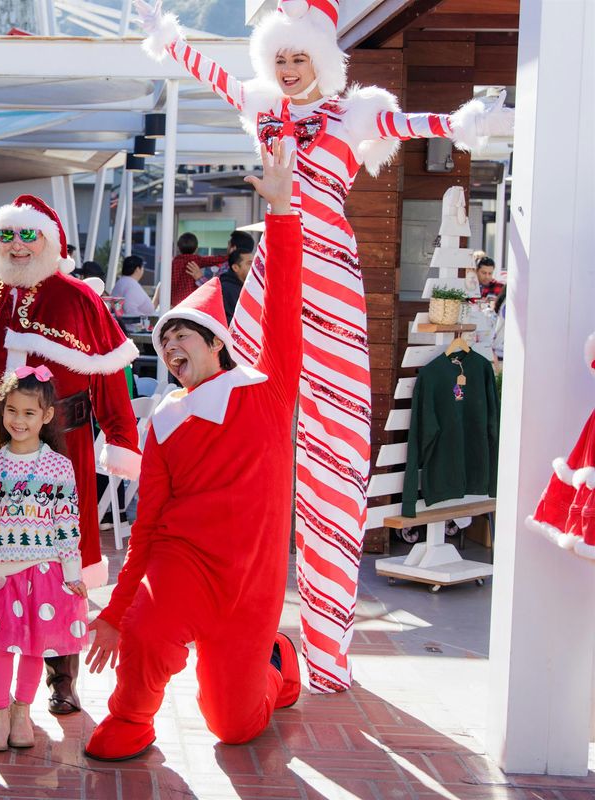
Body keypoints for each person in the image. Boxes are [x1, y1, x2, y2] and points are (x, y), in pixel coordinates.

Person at [136, 0, 513, 693]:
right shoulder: (258, 105)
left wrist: (463, 123)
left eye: (299, 55)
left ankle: (329, 653)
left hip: (331, 281)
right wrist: (170, 38)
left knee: (334, 458)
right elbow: (207, 72)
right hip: (271, 278)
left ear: (324, 58)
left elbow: (414, 124)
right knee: (235, 426)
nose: (287, 67)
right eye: (278, 56)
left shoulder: (354, 112)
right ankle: (216, 610)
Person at [84, 141, 303, 761]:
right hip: (182, 564)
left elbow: (285, 302)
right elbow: (148, 523)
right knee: (147, 635)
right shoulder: (166, 419)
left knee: (233, 727)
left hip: (251, 583)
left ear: (217, 343)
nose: (172, 347)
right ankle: (131, 718)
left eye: (183, 336)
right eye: (165, 340)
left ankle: (278, 663)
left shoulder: (266, 387)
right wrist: (115, 610)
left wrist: (283, 213)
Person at [0, 194, 141, 716]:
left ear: (50, 241)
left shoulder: (79, 299)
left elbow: (110, 382)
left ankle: (63, 675)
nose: (17, 247)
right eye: (8, 235)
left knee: (64, 556)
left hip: (63, 448)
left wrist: (123, 441)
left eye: (28, 235)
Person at [0, 366, 89, 751]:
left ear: (46, 416)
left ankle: (23, 711)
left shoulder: (58, 466)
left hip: (44, 571)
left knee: (34, 647)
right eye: (11, 411)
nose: (18, 420)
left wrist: (71, 571)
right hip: (0, 573)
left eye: (28, 413)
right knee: (2, 645)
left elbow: (67, 519)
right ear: (1, 411)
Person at [219, 248, 255, 321]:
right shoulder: (226, 289)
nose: (254, 267)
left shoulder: (251, 287)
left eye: (255, 263)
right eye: (249, 263)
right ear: (235, 267)